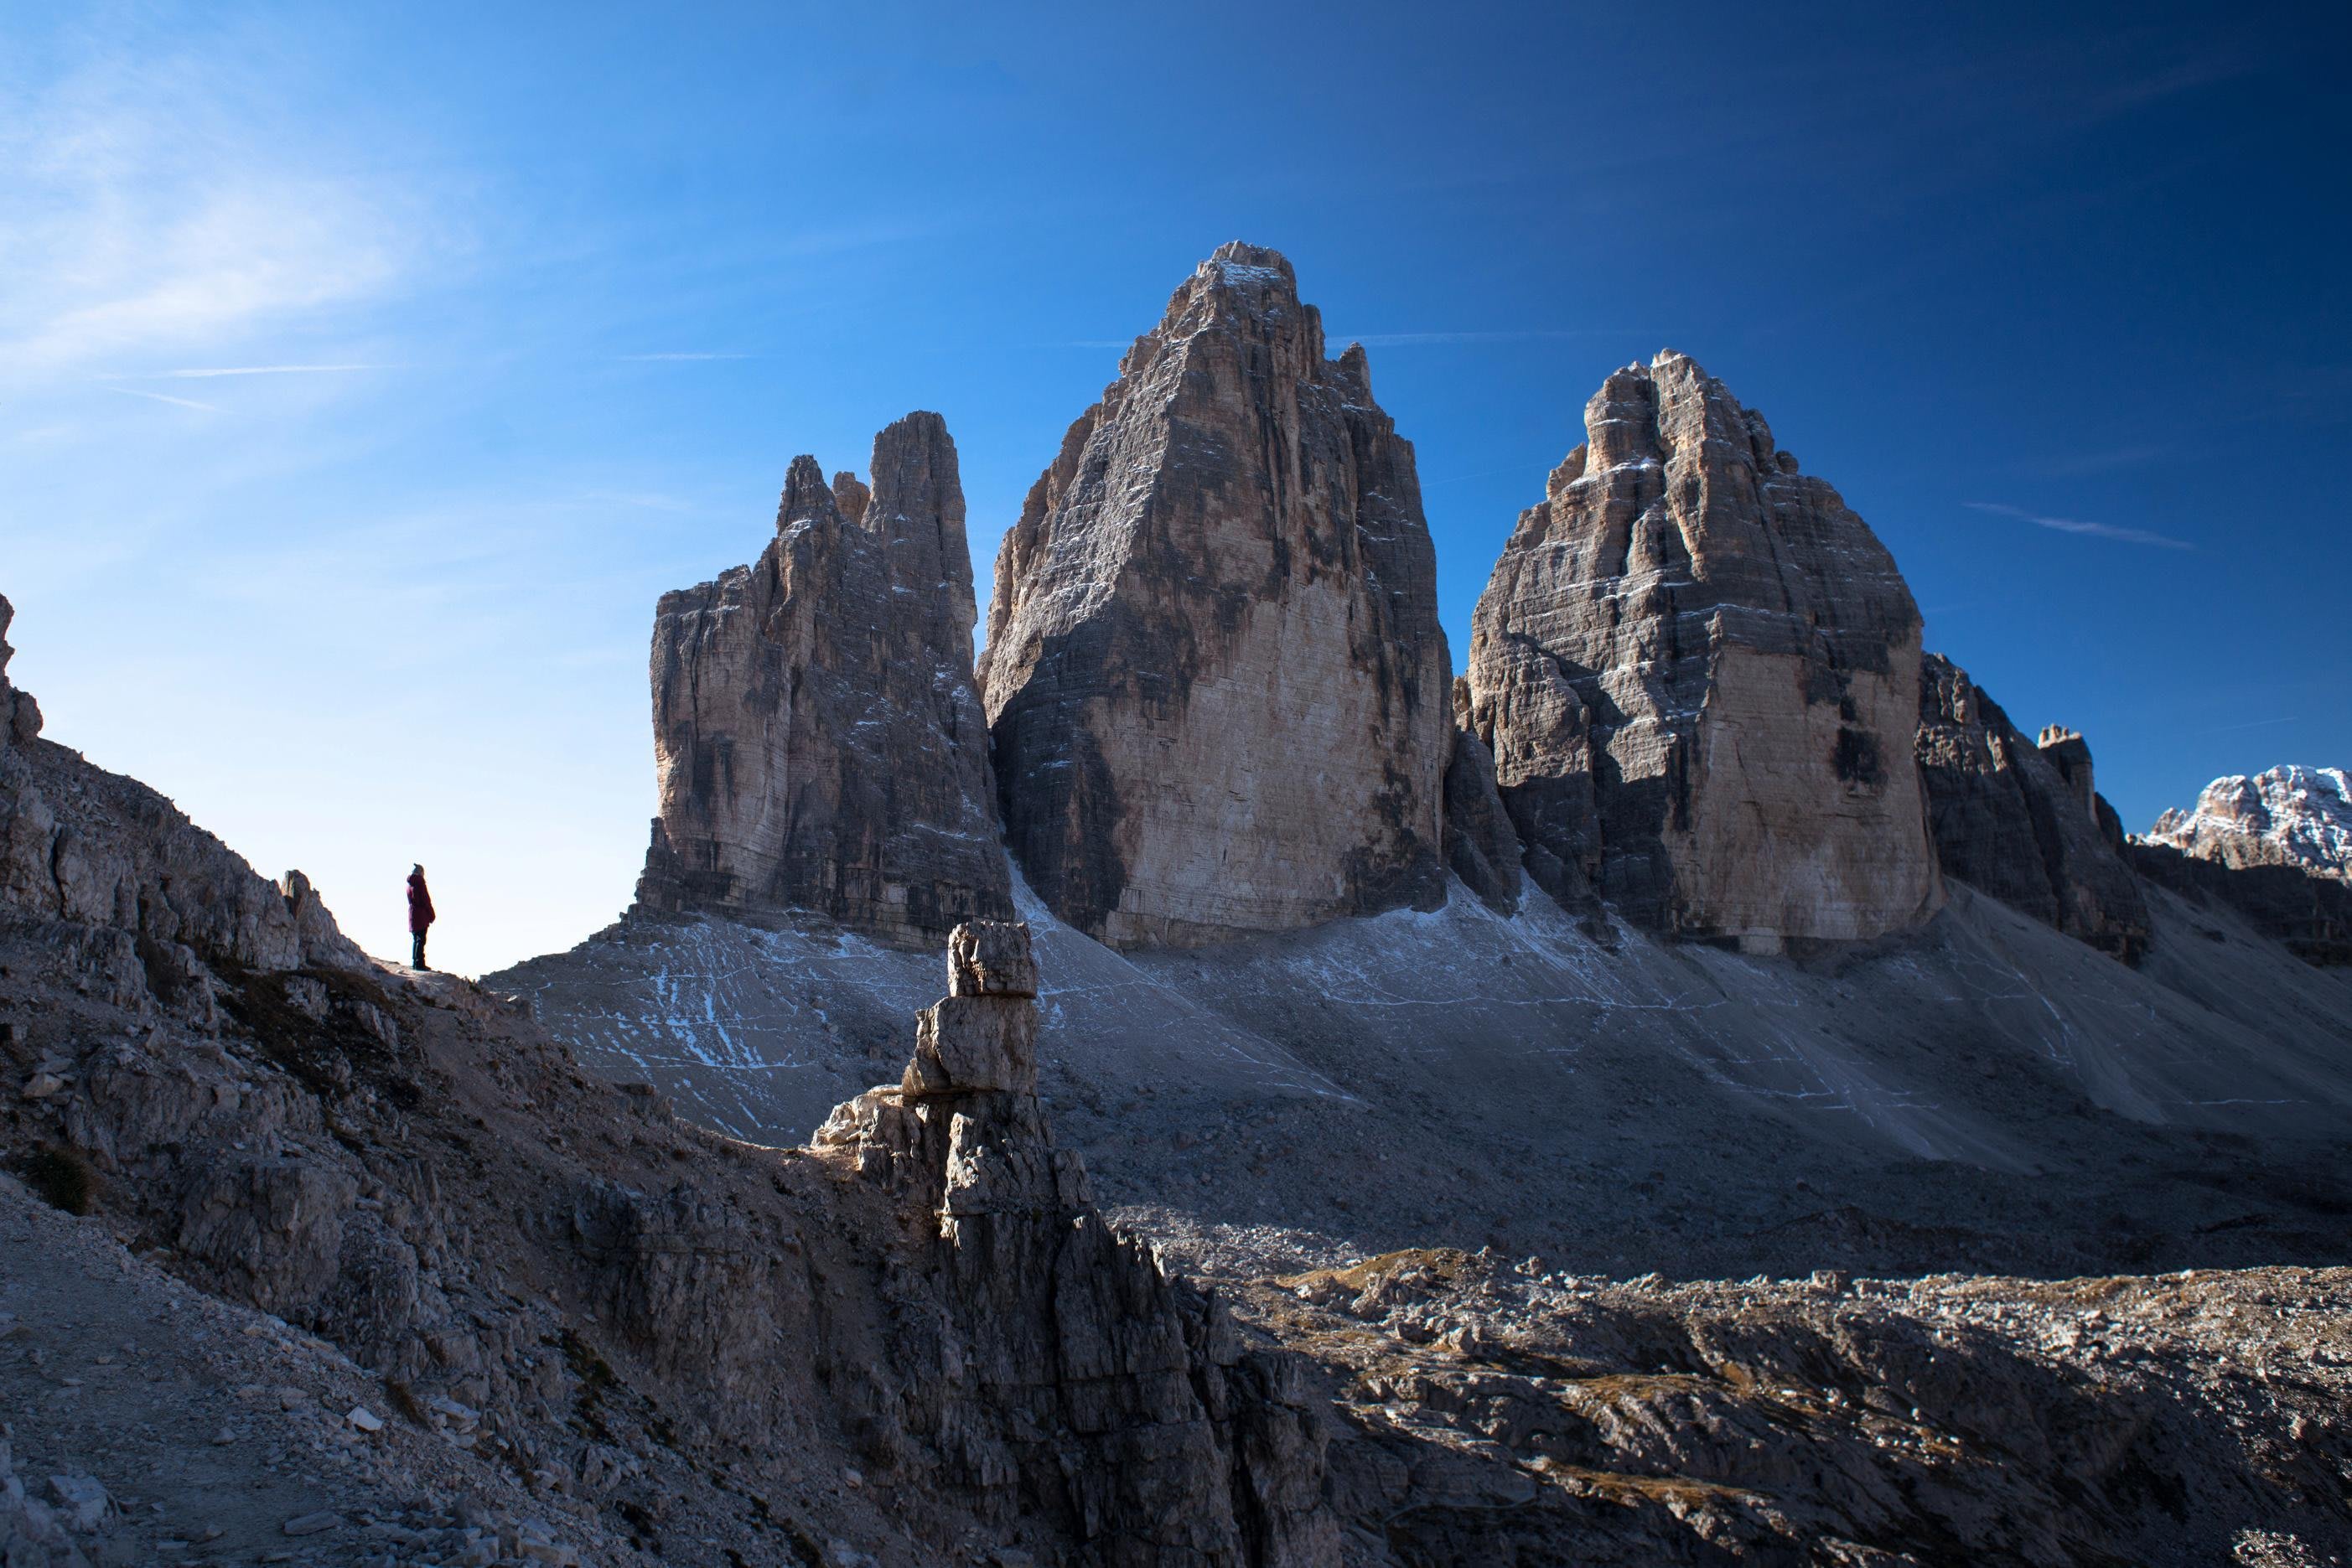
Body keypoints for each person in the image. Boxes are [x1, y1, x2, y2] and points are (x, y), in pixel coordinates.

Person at [407, 863, 436, 970]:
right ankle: (419, 964)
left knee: (416, 939)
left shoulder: (410, 884)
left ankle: (415, 962)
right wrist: (432, 915)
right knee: (421, 939)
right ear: (420, 873)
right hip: (421, 915)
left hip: (412, 914)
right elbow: (426, 900)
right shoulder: (420, 883)